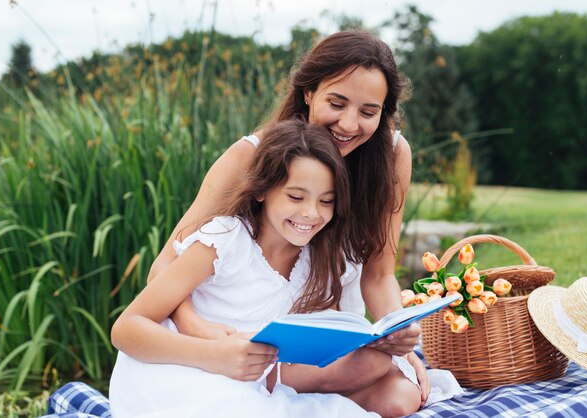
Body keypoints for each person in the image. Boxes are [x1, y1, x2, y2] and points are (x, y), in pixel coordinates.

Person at [148, 30, 431, 412]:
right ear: (308, 92)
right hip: (241, 332)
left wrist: (398, 337)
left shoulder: (390, 155)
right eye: (337, 102)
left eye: (368, 112)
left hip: (324, 338)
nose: (349, 124)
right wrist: (200, 332)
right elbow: (165, 264)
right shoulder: (252, 157)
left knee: (401, 398)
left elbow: (379, 274)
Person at [109, 119, 422, 417]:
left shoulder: (320, 257)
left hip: (265, 371)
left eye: (326, 201)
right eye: (296, 196)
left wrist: (390, 343)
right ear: (262, 191)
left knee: (397, 393)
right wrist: (214, 356)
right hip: (186, 364)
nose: (310, 214)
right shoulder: (226, 240)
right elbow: (125, 328)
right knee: (243, 409)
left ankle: (288, 390)